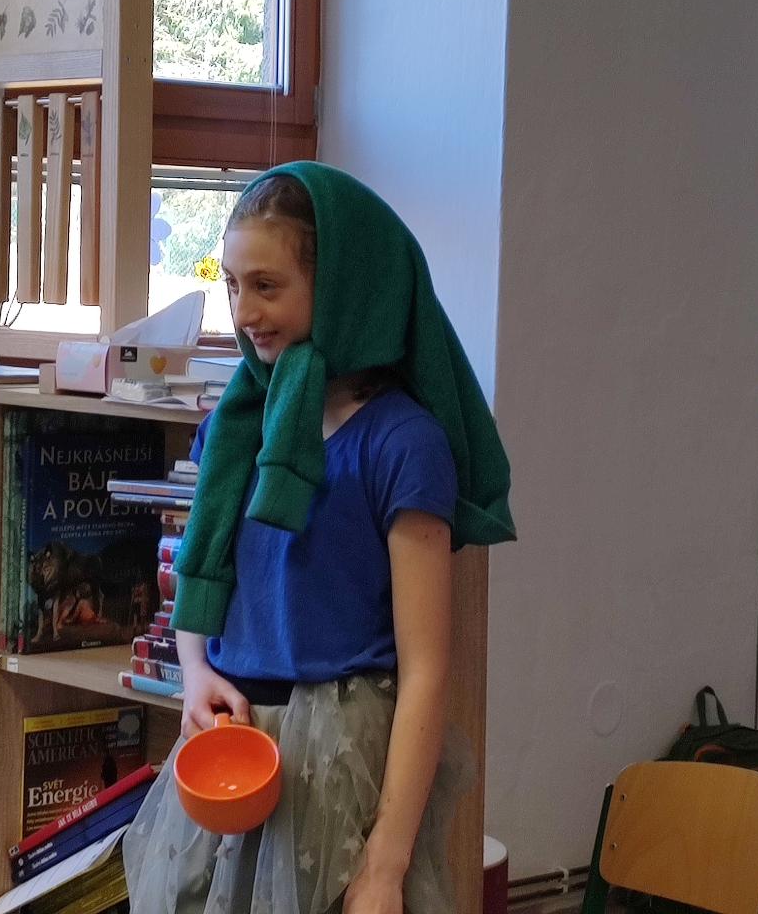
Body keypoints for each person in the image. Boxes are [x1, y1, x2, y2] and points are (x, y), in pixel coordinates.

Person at [121, 161, 515, 914]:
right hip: (233, 743)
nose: (244, 312)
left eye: (267, 286)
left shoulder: (402, 443)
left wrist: (386, 865)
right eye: (232, 285)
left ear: (339, 288)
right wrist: (194, 670)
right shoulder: (236, 423)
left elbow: (427, 668)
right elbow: (204, 573)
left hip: (338, 753)